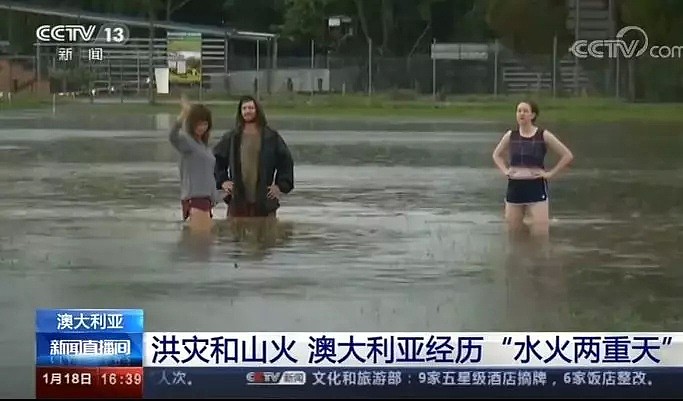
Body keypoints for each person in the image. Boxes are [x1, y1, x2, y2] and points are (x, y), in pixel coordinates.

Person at [492, 100, 574, 237]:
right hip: (515, 187)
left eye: (525, 111)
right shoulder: (511, 135)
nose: (521, 114)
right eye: (519, 111)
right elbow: (496, 155)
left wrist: (550, 174)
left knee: (540, 232)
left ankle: (539, 257)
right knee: (513, 232)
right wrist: (505, 171)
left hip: (535, 186)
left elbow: (567, 155)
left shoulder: (543, 135)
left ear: (533, 115)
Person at [213, 95, 294, 218]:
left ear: (257, 110)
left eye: (251, 108)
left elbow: (286, 162)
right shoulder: (232, 137)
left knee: (266, 234)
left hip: (264, 200)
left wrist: (280, 186)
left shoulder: (271, 137)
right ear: (240, 112)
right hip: (238, 199)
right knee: (235, 234)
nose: (247, 111)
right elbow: (216, 159)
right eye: (244, 108)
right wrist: (223, 181)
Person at [168, 96, 222, 231]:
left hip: (207, 201)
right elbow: (172, 136)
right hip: (195, 199)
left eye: (205, 124)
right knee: (200, 245)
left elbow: (208, 176)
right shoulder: (187, 142)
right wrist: (183, 115)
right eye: (198, 124)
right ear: (191, 124)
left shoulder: (203, 147)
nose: (202, 127)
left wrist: (218, 195)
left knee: (203, 246)